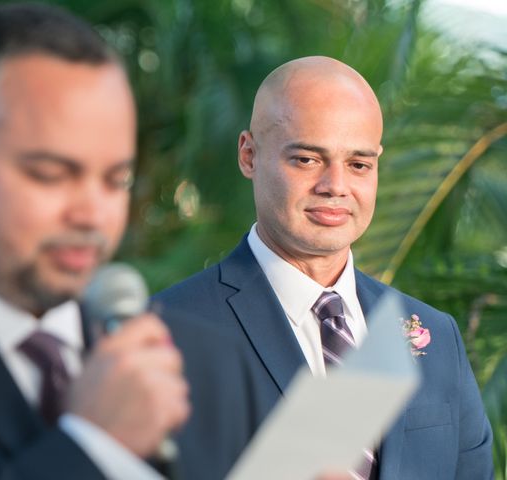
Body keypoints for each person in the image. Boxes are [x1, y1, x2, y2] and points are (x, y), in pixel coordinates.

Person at [0, 4, 263, 479]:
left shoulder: (206, 364)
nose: (93, 214)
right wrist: (93, 449)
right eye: (52, 175)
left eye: (115, 180)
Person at [155, 56, 494, 479]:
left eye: (358, 164)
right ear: (249, 155)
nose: (335, 186)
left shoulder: (437, 336)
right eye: (307, 159)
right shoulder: (167, 333)